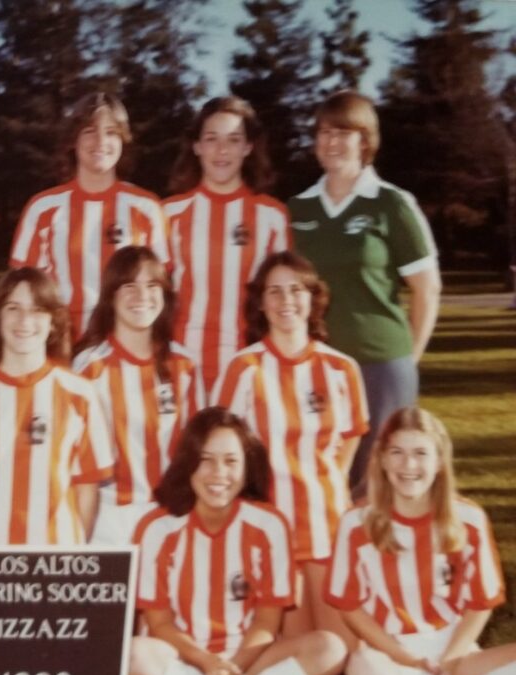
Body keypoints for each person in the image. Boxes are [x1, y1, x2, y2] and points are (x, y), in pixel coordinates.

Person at [129, 407, 346, 675]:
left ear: (247, 468)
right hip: (184, 660)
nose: (219, 473)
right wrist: (207, 663)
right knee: (132, 656)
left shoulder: (269, 524)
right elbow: (159, 624)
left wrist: (235, 669)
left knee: (330, 649)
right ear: (188, 463)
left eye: (231, 461)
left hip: (253, 662)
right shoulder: (156, 527)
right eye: (206, 460)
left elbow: (267, 619)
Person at [326, 407, 516, 675]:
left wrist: (454, 655)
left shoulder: (467, 518)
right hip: (391, 650)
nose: (408, 466)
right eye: (397, 452)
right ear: (382, 460)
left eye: (420, 453)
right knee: (362, 671)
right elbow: (349, 607)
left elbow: (480, 602)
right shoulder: (356, 523)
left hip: (454, 646)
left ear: (440, 461)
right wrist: (405, 657)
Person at [288, 91, 441, 492]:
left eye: (344, 133)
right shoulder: (297, 209)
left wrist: (407, 359)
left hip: (381, 364)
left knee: (382, 480)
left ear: (365, 140)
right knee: (324, 476)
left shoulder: (391, 203)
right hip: (316, 365)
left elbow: (427, 289)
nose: (332, 142)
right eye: (323, 132)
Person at [213, 251, 368, 639]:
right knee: (296, 651)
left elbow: (349, 444)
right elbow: (223, 451)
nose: (286, 301)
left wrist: (326, 490)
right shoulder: (243, 368)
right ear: (261, 303)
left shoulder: (342, 368)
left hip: (325, 524)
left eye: (296, 290)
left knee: (344, 646)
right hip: (269, 526)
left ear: (313, 298)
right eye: (275, 292)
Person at [0, 268, 113, 546]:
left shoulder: (79, 393)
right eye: (13, 308)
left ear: (53, 321)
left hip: (58, 556)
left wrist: (71, 549)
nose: (24, 320)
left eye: (37, 310)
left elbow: (87, 489)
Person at [10, 92, 169, 341]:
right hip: (61, 343)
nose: (100, 140)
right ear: (73, 140)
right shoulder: (43, 207)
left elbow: (159, 287)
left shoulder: (145, 206)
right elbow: (24, 287)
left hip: (124, 342)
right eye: (89, 131)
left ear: (123, 140)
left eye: (111, 132)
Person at [72, 245, 201, 545]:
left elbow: (196, 447)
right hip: (108, 518)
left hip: (171, 514)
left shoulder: (184, 364)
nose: (141, 296)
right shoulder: (88, 368)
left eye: (152, 285)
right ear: (110, 295)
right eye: (129, 286)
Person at [163, 96, 290, 396]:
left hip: (249, 364)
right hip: (180, 362)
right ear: (196, 146)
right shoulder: (169, 213)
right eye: (211, 139)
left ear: (248, 148)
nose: (222, 150)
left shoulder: (272, 215)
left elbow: (281, 299)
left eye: (233, 140)